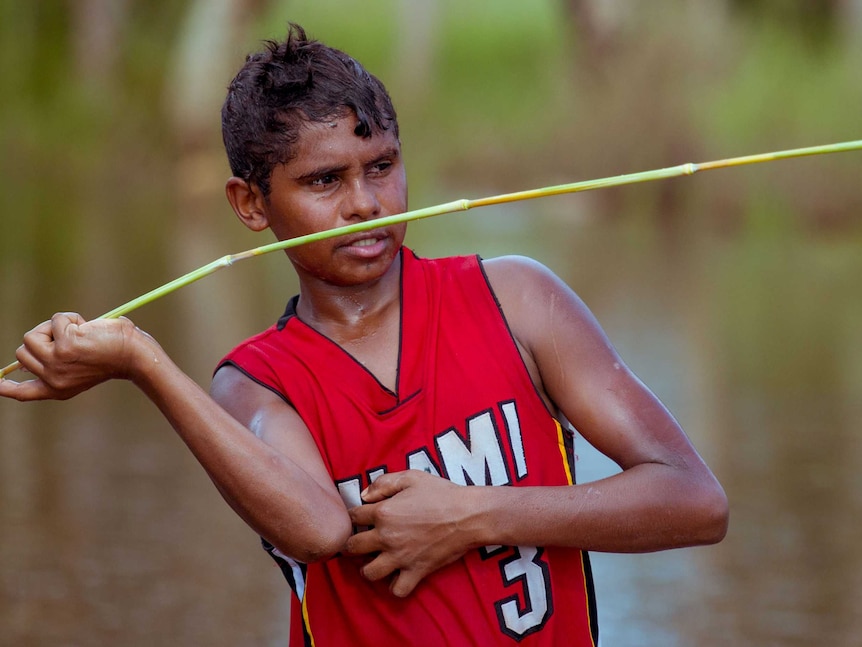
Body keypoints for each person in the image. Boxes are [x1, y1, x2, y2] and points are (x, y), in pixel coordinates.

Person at [0, 23, 727, 646]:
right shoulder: (255, 382)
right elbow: (318, 528)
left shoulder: (517, 297)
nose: (365, 205)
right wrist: (143, 361)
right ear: (251, 204)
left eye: (382, 167)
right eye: (325, 181)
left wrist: (473, 513)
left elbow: (696, 501)